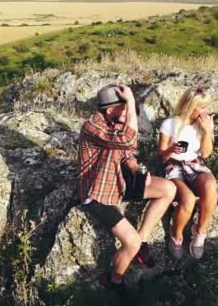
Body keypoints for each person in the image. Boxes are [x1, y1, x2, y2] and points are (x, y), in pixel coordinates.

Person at [77, 84, 176, 292]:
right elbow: (128, 140)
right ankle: (114, 280)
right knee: (130, 243)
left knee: (168, 189)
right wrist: (130, 100)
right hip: (97, 194)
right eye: (125, 107)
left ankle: (144, 242)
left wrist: (138, 170)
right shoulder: (92, 126)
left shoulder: (114, 122)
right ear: (111, 109)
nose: (130, 111)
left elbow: (125, 153)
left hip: (118, 183)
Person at [157, 87, 217, 260]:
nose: (206, 111)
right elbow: (162, 156)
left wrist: (208, 131)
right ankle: (176, 236)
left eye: (207, 106)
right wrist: (171, 149)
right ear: (191, 106)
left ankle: (199, 233)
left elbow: (205, 154)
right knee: (188, 199)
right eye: (202, 107)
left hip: (194, 164)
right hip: (174, 166)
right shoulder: (169, 124)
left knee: (211, 185)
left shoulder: (203, 124)